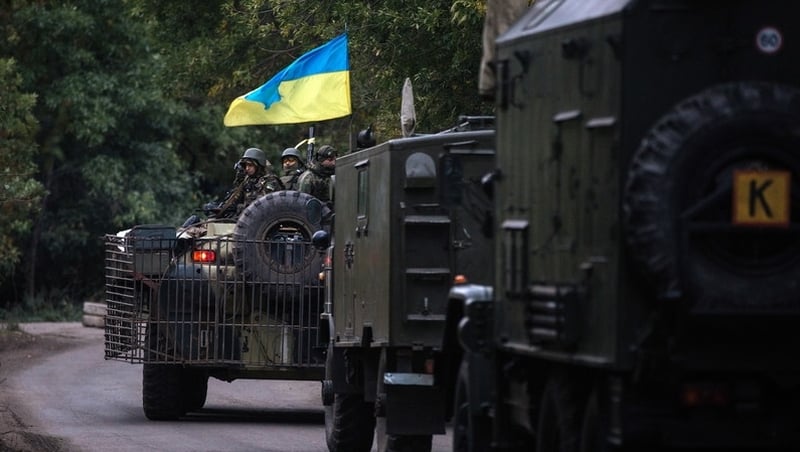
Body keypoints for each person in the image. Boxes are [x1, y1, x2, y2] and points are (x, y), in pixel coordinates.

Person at [212, 147, 283, 218]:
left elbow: (263, 205)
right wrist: (222, 208)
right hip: (248, 217)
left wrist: (240, 207)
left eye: (250, 165)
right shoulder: (248, 180)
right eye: (245, 165)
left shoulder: (270, 181)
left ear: (258, 166)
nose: (247, 168)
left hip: (264, 220)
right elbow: (235, 198)